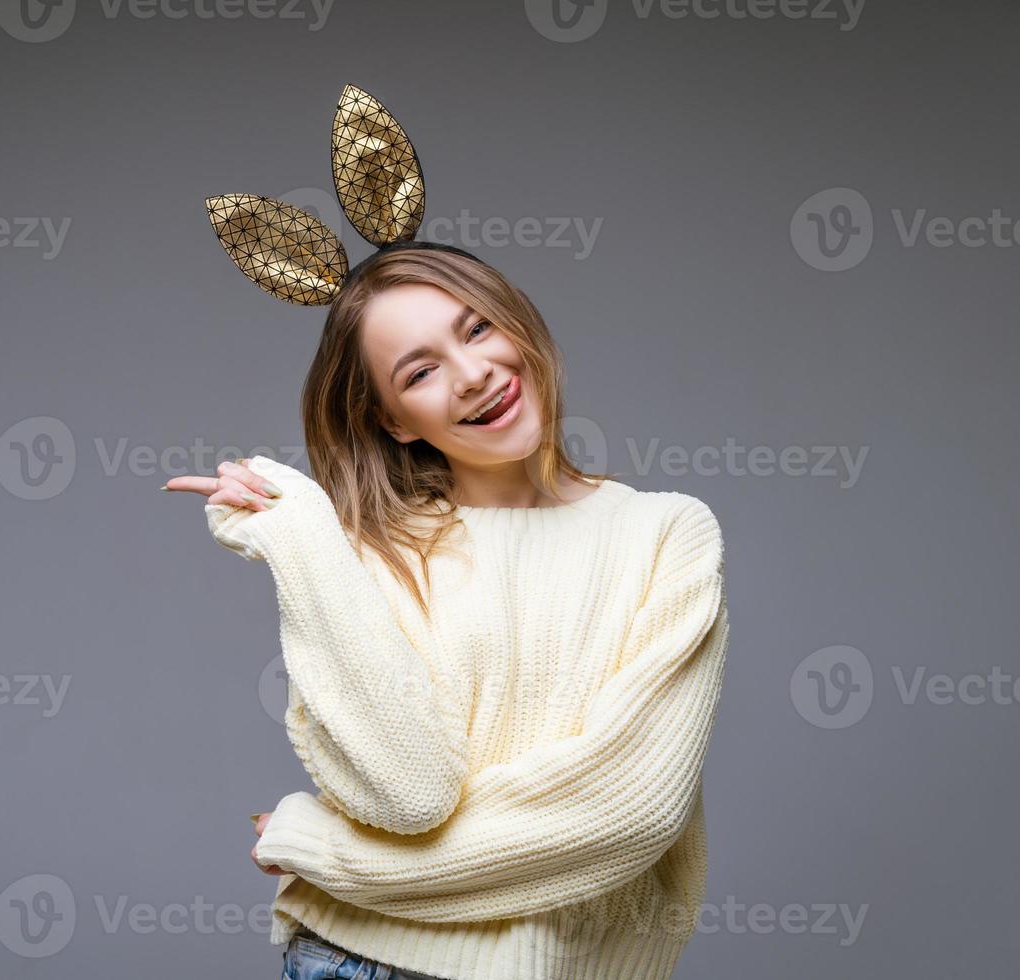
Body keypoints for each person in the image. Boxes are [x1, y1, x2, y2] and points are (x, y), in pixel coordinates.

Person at [167, 83, 731, 980]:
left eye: (478, 329)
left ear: (515, 320)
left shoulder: (668, 537)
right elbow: (408, 791)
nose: (474, 375)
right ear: (392, 419)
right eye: (422, 370)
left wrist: (320, 847)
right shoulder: (363, 550)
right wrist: (302, 540)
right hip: (351, 962)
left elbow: (627, 816)